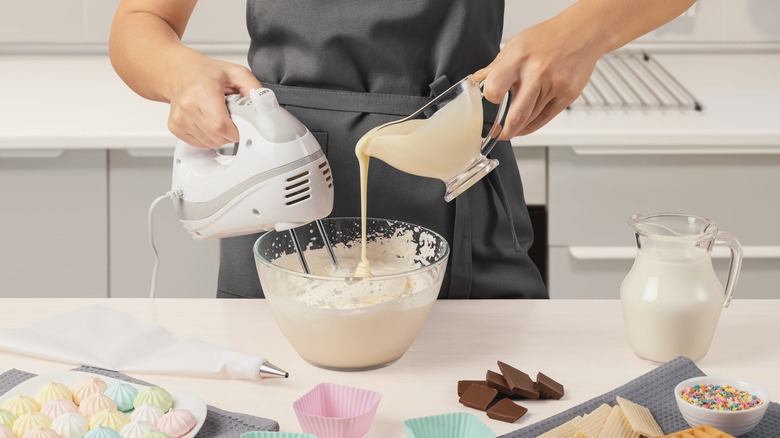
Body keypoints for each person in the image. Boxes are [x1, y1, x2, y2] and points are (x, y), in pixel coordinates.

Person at [110, 0, 695, 300]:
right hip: (279, 187)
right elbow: (141, 19)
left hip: (454, 175)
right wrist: (178, 73)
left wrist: (582, 33)